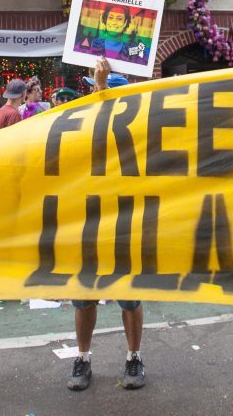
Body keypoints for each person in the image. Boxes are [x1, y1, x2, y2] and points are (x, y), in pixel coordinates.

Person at [68, 57, 146, 392]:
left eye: (96, 92)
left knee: (128, 295)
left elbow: (109, 128)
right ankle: (83, 358)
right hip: (88, 218)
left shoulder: (133, 129)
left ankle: (134, 357)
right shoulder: (81, 125)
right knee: (84, 295)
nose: (90, 97)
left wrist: (102, 87)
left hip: (125, 219)